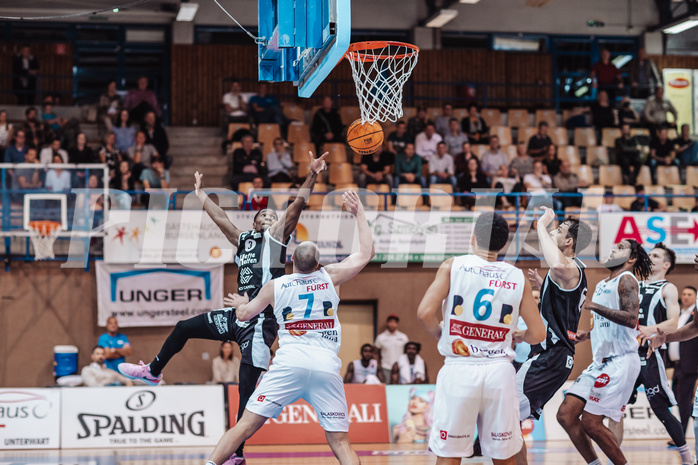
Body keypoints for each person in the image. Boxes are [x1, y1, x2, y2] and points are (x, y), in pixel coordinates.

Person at [119, 154, 327, 465]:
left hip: (260, 323)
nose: (270, 217)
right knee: (183, 327)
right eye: (264, 215)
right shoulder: (244, 240)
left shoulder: (277, 239)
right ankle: (153, 371)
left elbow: (296, 206)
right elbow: (221, 220)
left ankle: (237, 455)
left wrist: (311, 176)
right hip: (236, 315)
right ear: (254, 221)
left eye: (273, 215)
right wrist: (202, 196)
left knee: (245, 397)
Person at [204, 190, 373, 465]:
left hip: (288, 363)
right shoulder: (331, 277)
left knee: (244, 425)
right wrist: (359, 213)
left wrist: (239, 303)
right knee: (340, 442)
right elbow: (366, 253)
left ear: (291, 262)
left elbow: (245, 315)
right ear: (318, 264)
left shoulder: (276, 284)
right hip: (325, 365)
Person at [417, 211, 545, 465]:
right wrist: (519, 335)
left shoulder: (453, 265)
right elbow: (538, 334)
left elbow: (424, 313)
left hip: (460, 369)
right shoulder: (516, 276)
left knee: (450, 455)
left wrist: (442, 334)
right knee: (503, 456)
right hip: (499, 372)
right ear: (504, 244)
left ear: (473, 238)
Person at [557, 239, 651, 465]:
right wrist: (588, 334)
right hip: (600, 362)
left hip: (621, 361)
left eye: (620, 248)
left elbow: (630, 319)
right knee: (566, 415)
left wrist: (593, 306)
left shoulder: (627, 280)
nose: (612, 249)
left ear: (630, 259)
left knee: (591, 423)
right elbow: (606, 322)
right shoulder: (601, 284)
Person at [514, 209, 591, 465]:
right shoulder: (570, 271)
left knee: (505, 417)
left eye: (559, 231)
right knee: (509, 422)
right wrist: (543, 285)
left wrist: (541, 225)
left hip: (551, 356)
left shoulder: (567, 267)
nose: (553, 232)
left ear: (569, 242)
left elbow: (557, 264)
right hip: (553, 357)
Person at [608, 243, 693, 465]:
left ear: (666, 264)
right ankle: (613, 459)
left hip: (649, 354)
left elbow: (673, 323)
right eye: (649, 254)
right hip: (625, 354)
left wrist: (653, 329)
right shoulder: (632, 283)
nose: (650, 257)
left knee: (659, 408)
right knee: (615, 409)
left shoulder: (668, 288)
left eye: (656, 255)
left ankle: (686, 457)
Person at [668, 285, 698, 439]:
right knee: (678, 399)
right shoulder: (680, 314)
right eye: (683, 293)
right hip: (678, 365)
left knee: (684, 401)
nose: (685, 296)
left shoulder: (694, 314)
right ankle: (682, 432)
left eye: (689, 294)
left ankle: (680, 437)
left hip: (690, 365)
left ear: (695, 297)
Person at [374, 315, 409, 384]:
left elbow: (407, 352)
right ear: (387, 323)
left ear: (397, 324)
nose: (392, 324)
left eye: (394, 322)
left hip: (400, 366)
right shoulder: (381, 337)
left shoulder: (403, 337)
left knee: (400, 386)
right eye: (390, 322)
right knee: (387, 386)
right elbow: (376, 352)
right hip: (385, 367)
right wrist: (378, 366)